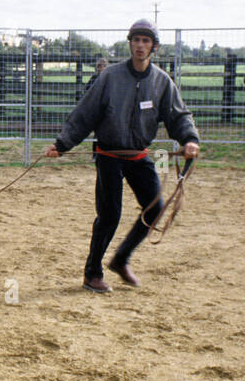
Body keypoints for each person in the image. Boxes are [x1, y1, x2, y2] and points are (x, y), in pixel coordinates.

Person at [44, 19, 200, 293]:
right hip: (108, 154)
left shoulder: (161, 82)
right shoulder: (110, 77)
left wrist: (189, 139)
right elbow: (86, 111)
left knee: (155, 209)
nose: (140, 45)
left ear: (154, 47)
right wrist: (63, 143)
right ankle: (93, 273)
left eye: (146, 41)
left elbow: (178, 115)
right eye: (136, 40)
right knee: (109, 215)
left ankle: (120, 259)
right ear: (130, 43)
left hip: (138, 155)